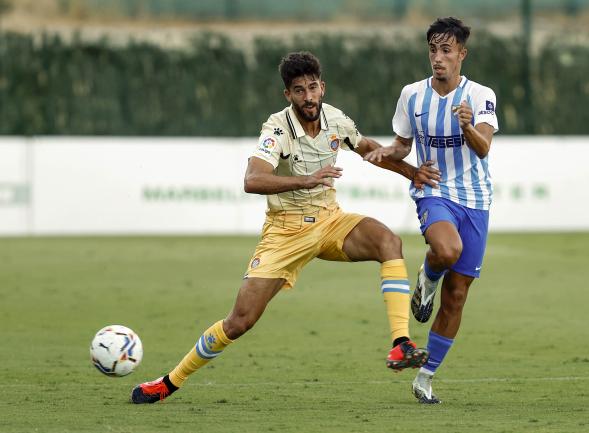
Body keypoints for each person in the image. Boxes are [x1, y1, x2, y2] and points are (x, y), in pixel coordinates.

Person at [131, 51, 440, 404]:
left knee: (389, 242)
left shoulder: (335, 119)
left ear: (322, 87)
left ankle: (401, 343)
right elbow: (252, 179)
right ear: (287, 95)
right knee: (239, 321)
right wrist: (305, 180)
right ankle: (169, 383)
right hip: (286, 233)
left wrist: (413, 172)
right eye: (299, 91)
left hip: (330, 221)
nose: (308, 97)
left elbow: (370, 149)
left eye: (312, 88)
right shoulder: (276, 129)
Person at [365, 17, 499, 404]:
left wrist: (468, 126)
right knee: (446, 250)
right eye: (432, 50)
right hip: (433, 189)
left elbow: (484, 148)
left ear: (461, 54)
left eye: (446, 50)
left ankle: (425, 376)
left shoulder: (480, 95)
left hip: (476, 199)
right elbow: (403, 145)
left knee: (456, 295)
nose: (438, 58)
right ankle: (426, 277)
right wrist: (384, 153)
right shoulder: (412, 95)